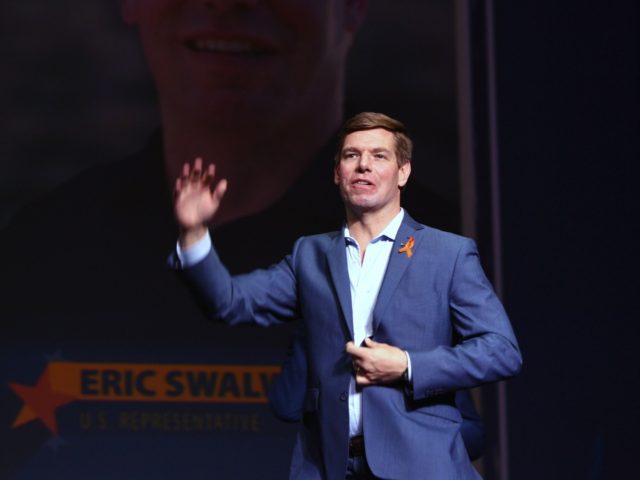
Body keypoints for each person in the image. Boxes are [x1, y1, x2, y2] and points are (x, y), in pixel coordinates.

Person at [172, 112, 522, 479]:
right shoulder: (311, 255)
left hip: (422, 467)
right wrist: (194, 232)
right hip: (330, 467)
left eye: (379, 156)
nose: (363, 166)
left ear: (403, 173)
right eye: (351, 156)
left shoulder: (447, 253)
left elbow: (502, 350)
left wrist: (408, 365)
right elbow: (230, 302)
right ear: (337, 173)